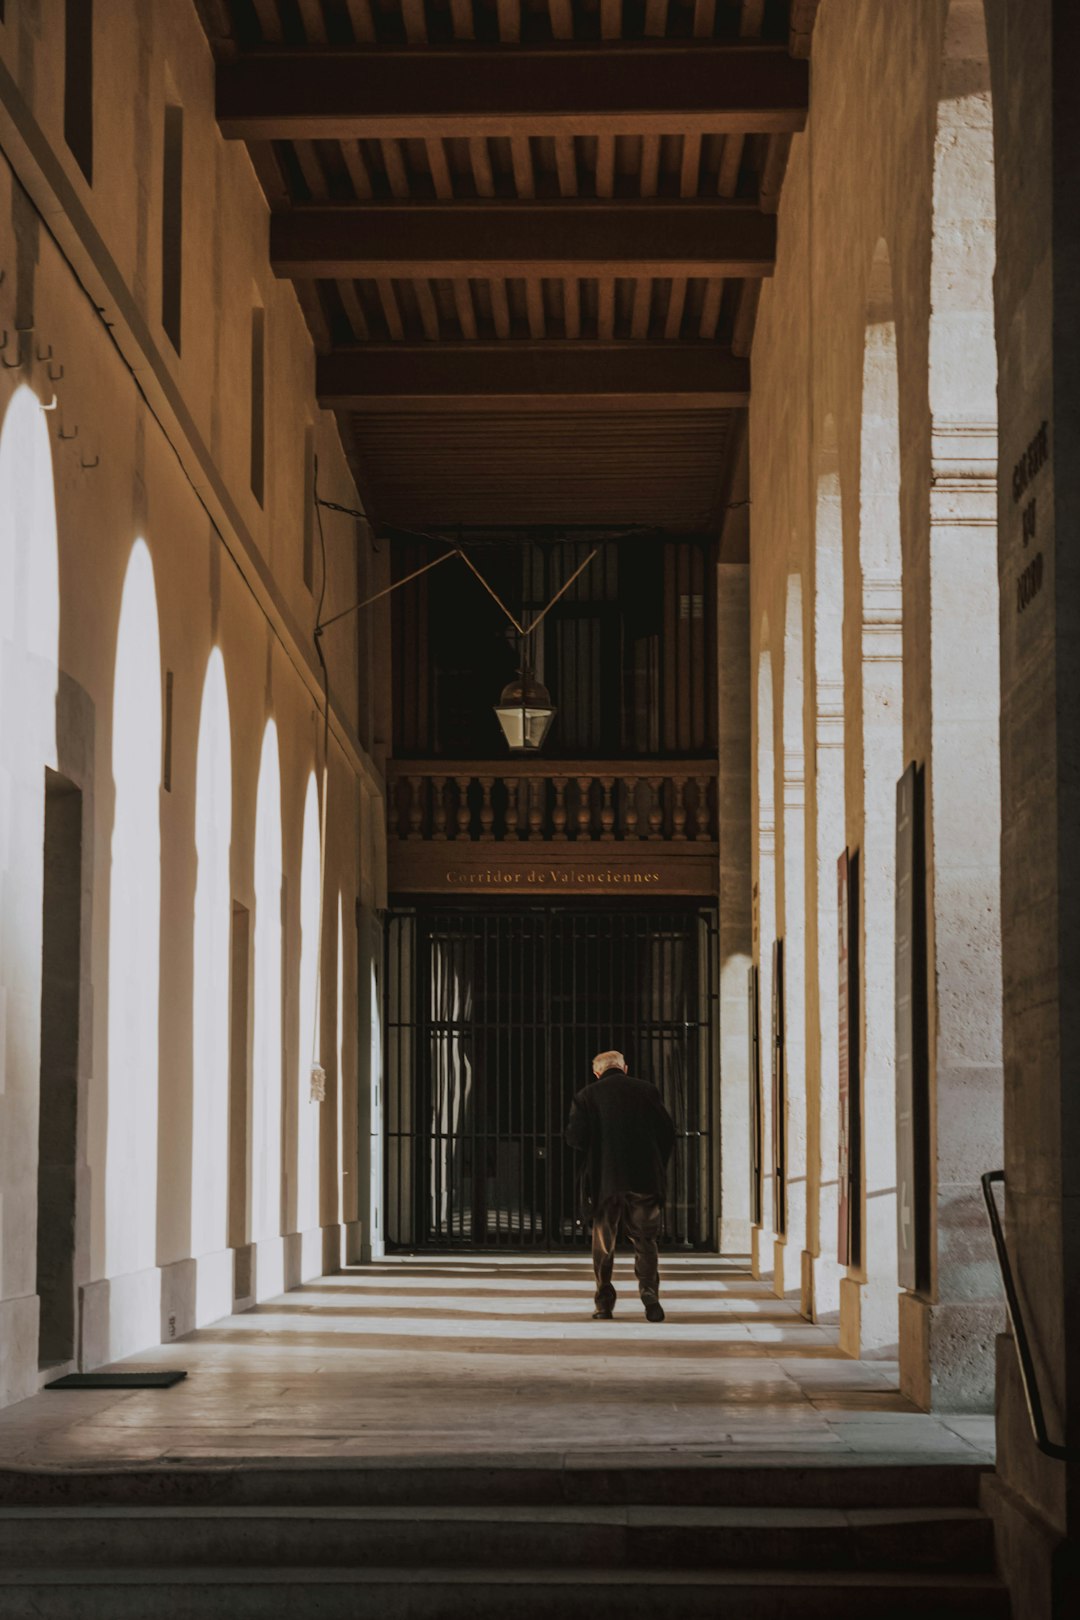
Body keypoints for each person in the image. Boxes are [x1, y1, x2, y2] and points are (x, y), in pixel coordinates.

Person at [565, 1049, 676, 1323]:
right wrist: (656, 1166)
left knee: (604, 1244)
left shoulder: (586, 1096)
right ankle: (649, 1294)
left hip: (606, 1184)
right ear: (625, 1068)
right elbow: (667, 1133)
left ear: (597, 1073)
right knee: (645, 1240)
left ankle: (604, 1303)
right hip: (645, 1181)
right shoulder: (648, 1091)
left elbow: (575, 1139)